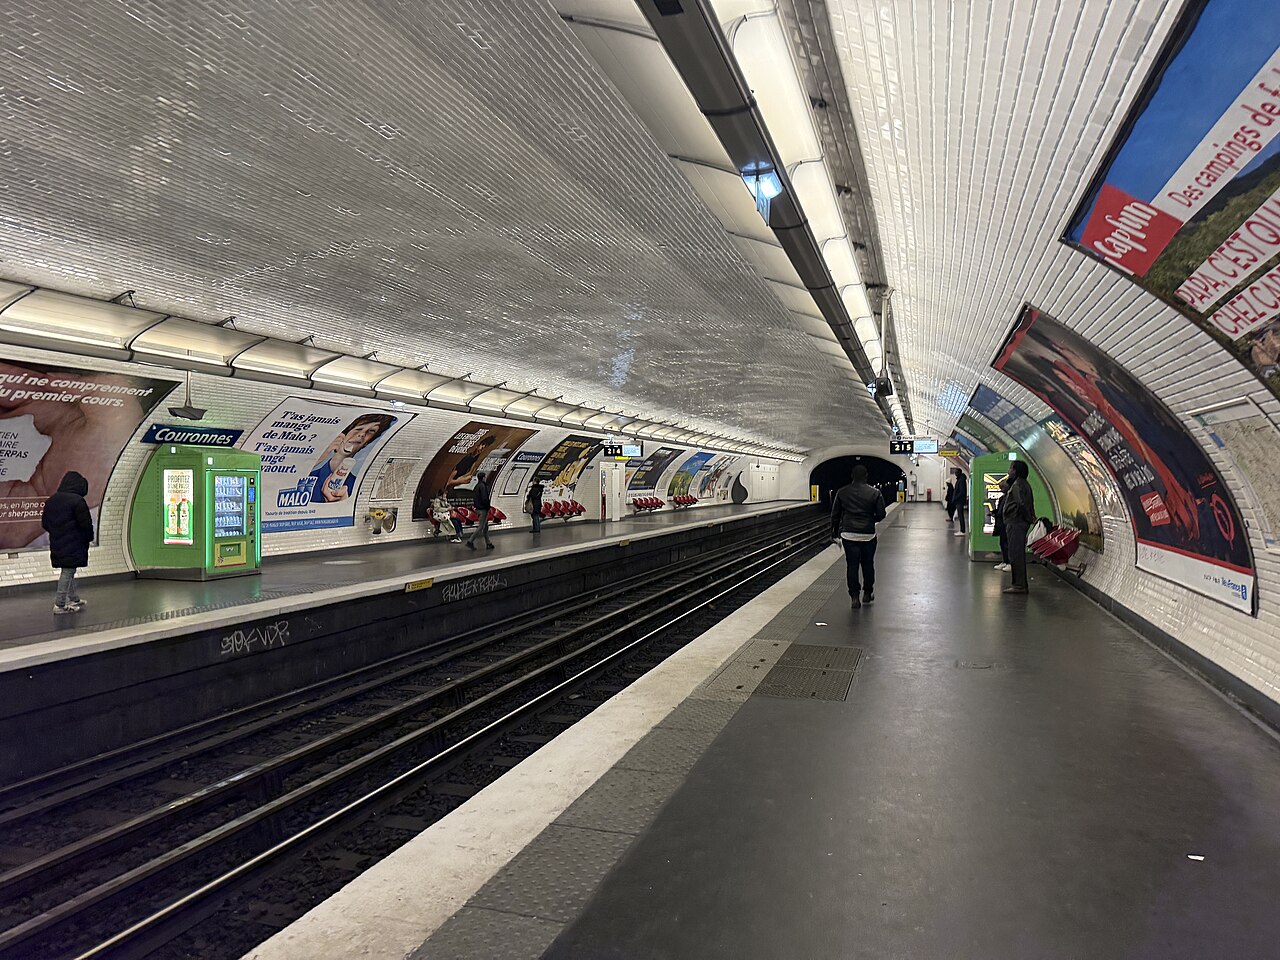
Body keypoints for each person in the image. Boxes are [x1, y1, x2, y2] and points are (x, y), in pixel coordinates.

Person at [830, 464, 887, 608]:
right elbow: (881, 514)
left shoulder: (842, 492)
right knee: (868, 564)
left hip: (848, 535)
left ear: (852, 476)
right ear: (866, 476)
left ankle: (854, 597)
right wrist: (870, 520)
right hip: (868, 535)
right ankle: (867, 593)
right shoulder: (875, 492)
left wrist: (834, 533)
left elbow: (835, 515)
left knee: (852, 566)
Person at [309, 413, 396, 503]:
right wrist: (320, 457)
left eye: (371, 431)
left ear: (366, 443)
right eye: (359, 428)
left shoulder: (358, 487)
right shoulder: (309, 477)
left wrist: (344, 502)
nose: (362, 434)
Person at [41, 471, 93, 615]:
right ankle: (60, 604)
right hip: (74, 542)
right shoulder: (77, 501)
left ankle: (74, 598)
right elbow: (85, 524)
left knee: (69, 569)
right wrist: (88, 537)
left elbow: (45, 523)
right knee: (67, 571)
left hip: (57, 541)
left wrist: (58, 532)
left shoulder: (51, 500)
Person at [1002, 461, 1036, 594]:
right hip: (1019, 522)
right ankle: (1019, 584)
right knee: (1017, 552)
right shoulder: (1024, 484)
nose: (1009, 471)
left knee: (1015, 553)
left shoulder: (1017, 485)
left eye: (1010, 468)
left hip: (1016, 522)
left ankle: (1019, 585)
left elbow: (1020, 504)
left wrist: (1027, 516)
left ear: (1015, 470)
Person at [466, 471, 495, 550]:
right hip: (483, 509)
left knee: (485, 527)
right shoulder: (482, 486)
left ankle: (488, 543)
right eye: (485, 477)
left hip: (478, 508)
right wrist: (488, 506)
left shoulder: (477, 486)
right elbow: (484, 498)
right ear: (483, 478)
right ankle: (470, 541)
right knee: (481, 527)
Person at [993, 478, 1011, 572]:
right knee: (1002, 543)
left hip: (1005, 523)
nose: (1000, 489)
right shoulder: (1003, 497)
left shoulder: (1008, 498)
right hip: (1002, 522)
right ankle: (1005, 561)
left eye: (1002, 488)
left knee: (1006, 543)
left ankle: (1009, 562)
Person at [951, 468, 968, 537]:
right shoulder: (960, 479)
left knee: (961, 516)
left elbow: (961, 492)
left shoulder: (961, 481)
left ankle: (962, 530)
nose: (955, 473)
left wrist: (955, 498)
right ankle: (962, 530)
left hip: (959, 501)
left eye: (956, 472)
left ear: (959, 472)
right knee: (960, 515)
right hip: (959, 500)